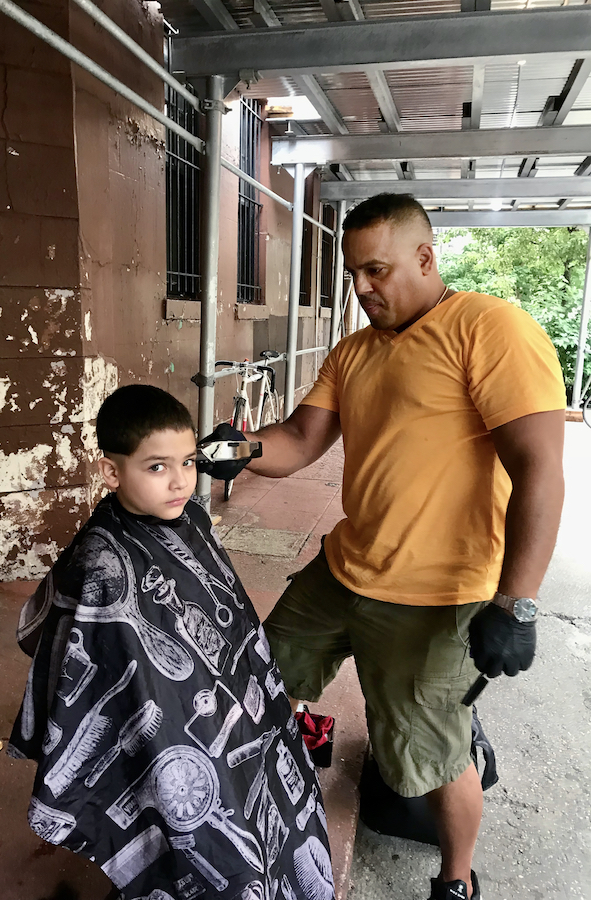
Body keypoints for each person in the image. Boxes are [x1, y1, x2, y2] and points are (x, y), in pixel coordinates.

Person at [200, 193, 566, 900]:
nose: (362, 288)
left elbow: (539, 470)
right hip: (345, 569)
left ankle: (455, 881)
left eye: (376, 270)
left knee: (429, 756)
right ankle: (295, 751)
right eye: (353, 274)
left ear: (425, 257)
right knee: (264, 669)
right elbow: (300, 441)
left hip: (439, 594)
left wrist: (517, 602)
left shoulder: (488, 329)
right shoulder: (355, 351)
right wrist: (241, 448)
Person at [7, 384, 334, 900]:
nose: (180, 481)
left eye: (188, 461)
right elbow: (79, 652)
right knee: (216, 851)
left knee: (277, 800)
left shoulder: (192, 520)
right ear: (112, 472)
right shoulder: (101, 559)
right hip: (155, 716)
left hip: (220, 702)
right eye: (157, 467)